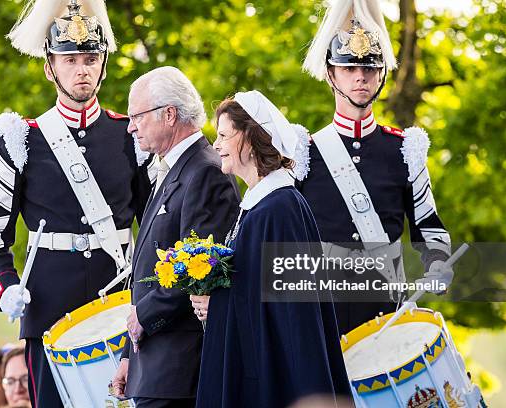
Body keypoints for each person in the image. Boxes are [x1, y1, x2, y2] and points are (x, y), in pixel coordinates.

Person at [0, 1, 152, 406]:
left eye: (91, 58)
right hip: (48, 310)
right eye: (70, 59)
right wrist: (5, 287)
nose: (82, 69)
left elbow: (157, 222)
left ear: (104, 64)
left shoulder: (132, 134)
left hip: (120, 307)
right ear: (49, 66)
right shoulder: (21, 138)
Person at [300, 0, 453, 335]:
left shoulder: (405, 149)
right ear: (330, 73)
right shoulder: (304, 152)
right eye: (349, 68)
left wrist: (439, 262)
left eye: (369, 69)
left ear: (381, 74)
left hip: (385, 314)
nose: (360, 77)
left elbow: (428, 227)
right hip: (320, 317)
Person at [192, 91, 350, 407]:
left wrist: (218, 304)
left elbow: (293, 313)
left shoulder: (280, 209)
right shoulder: (259, 205)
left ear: (250, 139)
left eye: (224, 135)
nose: (216, 145)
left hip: (276, 381)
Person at [110, 66, 240, 408]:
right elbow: (148, 277)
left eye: (136, 115)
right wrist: (129, 356)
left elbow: (197, 272)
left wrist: (143, 318)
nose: (130, 126)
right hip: (156, 365)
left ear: (169, 114)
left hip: (182, 371)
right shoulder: (171, 171)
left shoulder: (206, 172)